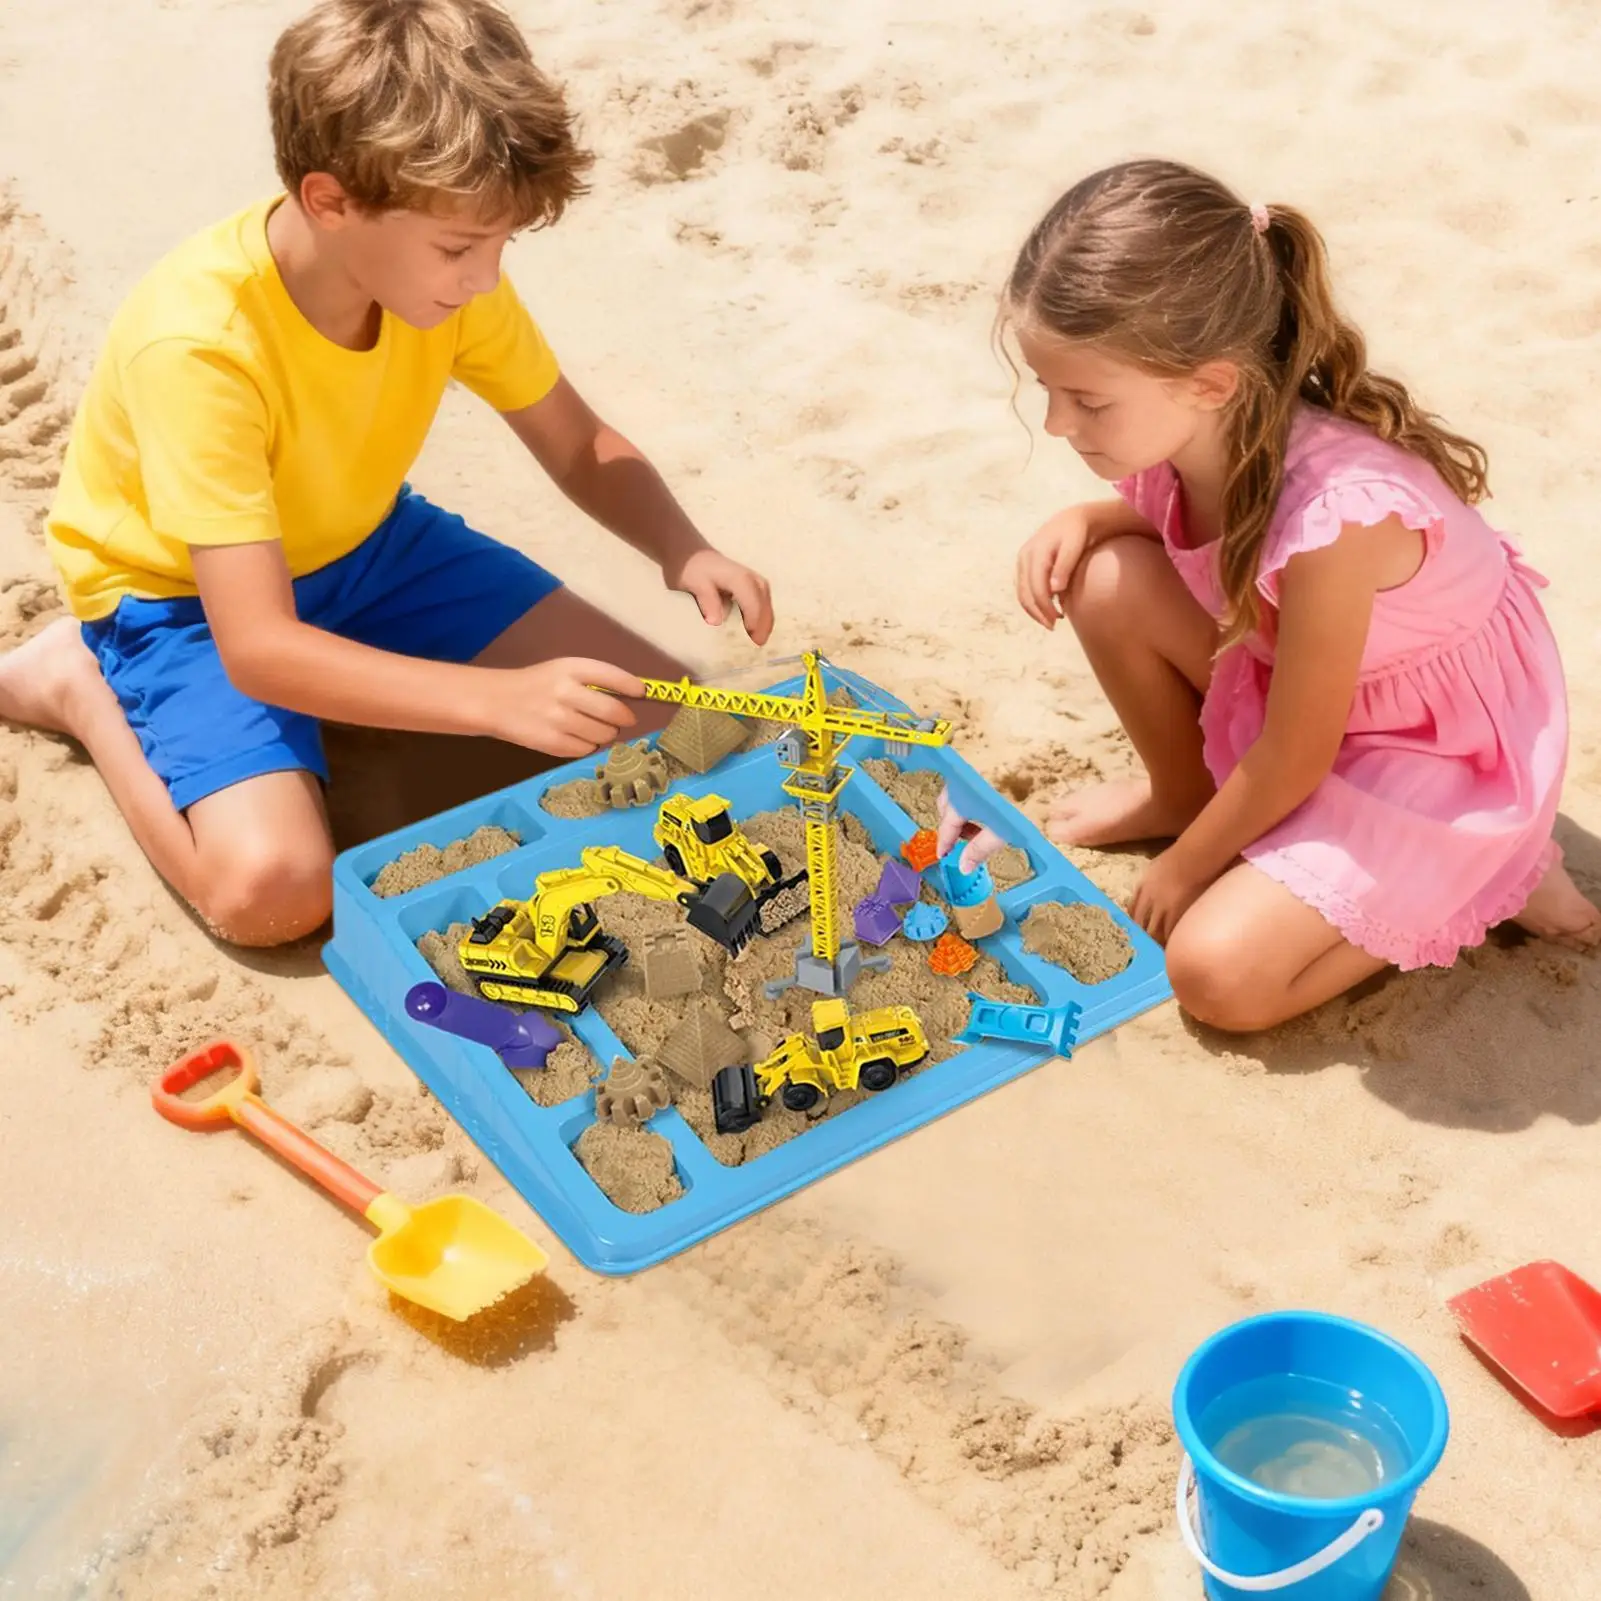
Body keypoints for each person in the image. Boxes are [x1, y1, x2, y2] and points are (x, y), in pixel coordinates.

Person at [0, 0, 772, 949]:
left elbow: (575, 441)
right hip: (185, 601)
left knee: (678, 723)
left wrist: (681, 545)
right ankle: (74, 683)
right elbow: (258, 649)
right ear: (330, 200)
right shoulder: (199, 346)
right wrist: (493, 700)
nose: (484, 279)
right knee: (273, 894)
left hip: (373, 545)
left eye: (500, 245)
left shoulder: (440, 276)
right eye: (460, 248)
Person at [989, 156, 1597, 1032]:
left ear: (1209, 383)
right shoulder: (1196, 428)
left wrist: (1186, 868)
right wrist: (1092, 519)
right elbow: (1183, 542)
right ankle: (1181, 789)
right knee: (1104, 578)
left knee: (1215, 976)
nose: (1055, 423)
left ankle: (1491, 871)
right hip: (1310, 684)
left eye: (1086, 399)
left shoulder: (1337, 520)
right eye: (1047, 390)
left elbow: (1297, 748)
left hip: (1428, 748)